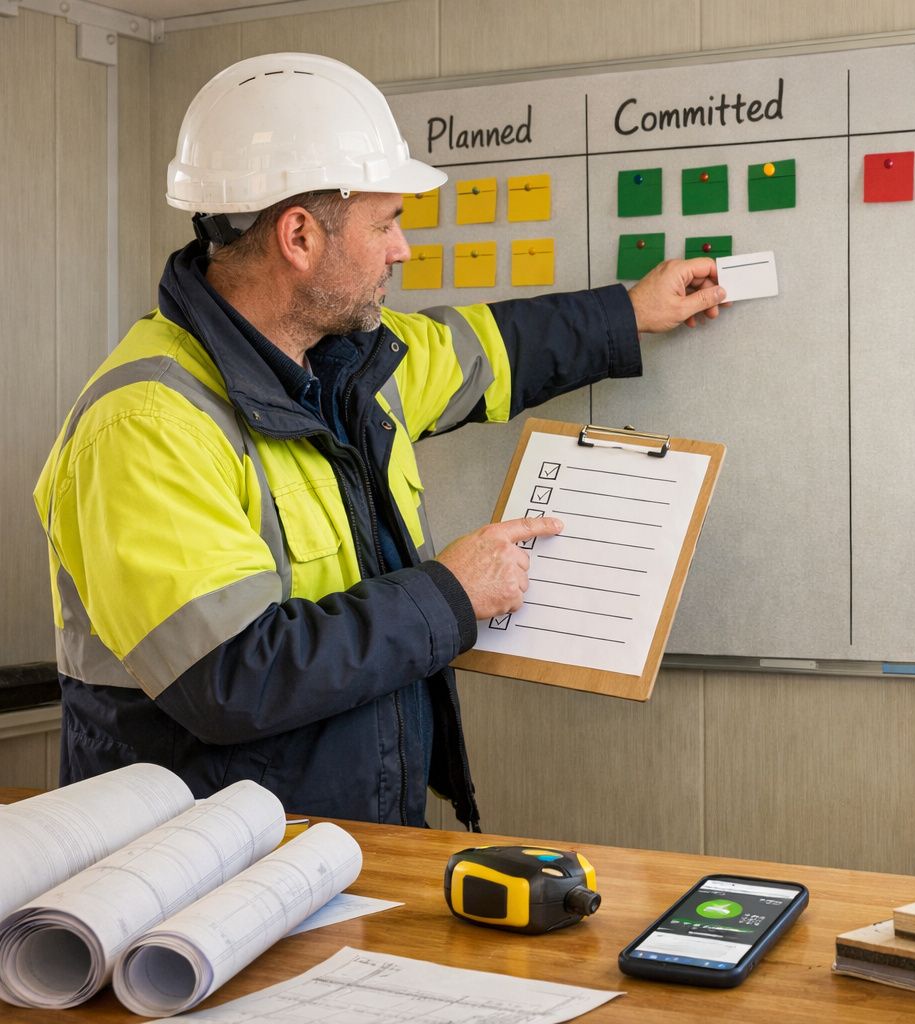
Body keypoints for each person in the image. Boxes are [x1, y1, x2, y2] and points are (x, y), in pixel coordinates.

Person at [32, 52, 726, 831]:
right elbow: (232, 677)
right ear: (299, 236)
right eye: (385, 222)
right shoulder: (148, 425)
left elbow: (490, 349)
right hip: (205, 873)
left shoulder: (347, 363)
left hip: (343, 841)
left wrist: (628, 312)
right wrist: (450, 594)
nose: (403, 248)